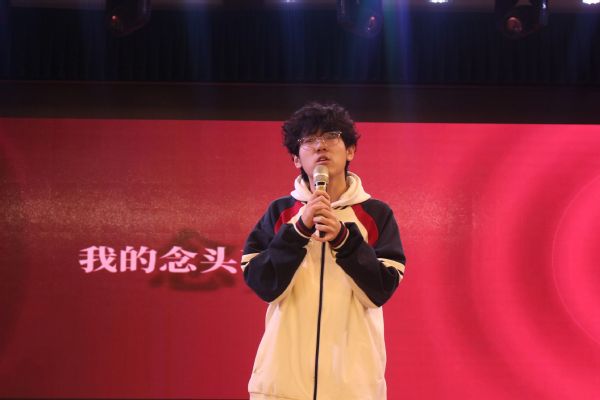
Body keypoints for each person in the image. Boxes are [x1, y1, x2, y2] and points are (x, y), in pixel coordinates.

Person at [241, 102, 406, 400]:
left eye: (331, 136)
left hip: (352, 388)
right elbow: (263, 284)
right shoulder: (280, 212)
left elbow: (380, 290)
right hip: (281, 387)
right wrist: (298, 231)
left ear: (350, 151)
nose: (320, 146)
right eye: (308, 140)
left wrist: (344, 239)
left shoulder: (376, 214)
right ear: (296, 158)